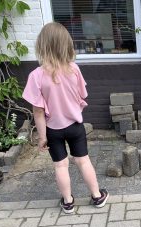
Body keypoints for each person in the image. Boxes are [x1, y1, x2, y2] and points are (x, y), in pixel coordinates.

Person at [23, 22, 109, 214]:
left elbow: (37, 112)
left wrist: (42, 137)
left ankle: (68, 202)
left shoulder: (35, 76)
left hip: (53, 129)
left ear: (41, 45)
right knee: (83, 161)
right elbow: (82, 95)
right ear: (66, 44)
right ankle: (97, 196)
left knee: (60, 166)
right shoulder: (73, 69)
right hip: (75, 125)